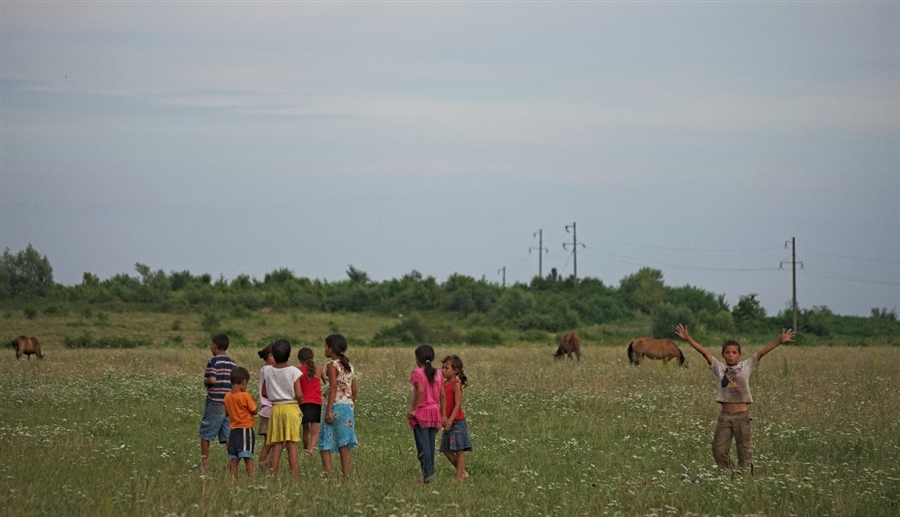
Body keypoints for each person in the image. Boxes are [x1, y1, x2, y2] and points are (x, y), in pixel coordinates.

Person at [675, 323, 795, 474]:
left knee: (743, 451)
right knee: (718, 449)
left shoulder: (746, 366)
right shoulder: (719, 368)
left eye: (734, 352)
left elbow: (761, 353)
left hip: (741, 416)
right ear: (723, 354)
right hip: (725, 417)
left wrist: (779, 340)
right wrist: (687, 338)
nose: (731, 355)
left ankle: (746, 479)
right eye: (727, 352)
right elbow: (704, 352)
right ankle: (732, 473)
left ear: (739, 355)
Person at [260, 339, 303, 483]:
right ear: (289, 354)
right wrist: (299, 400)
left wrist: (275, 395)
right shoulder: (294, 371)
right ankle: (295, 479)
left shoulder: (269, 371)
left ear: (273, 355)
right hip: (291, 408)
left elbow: (264, 392)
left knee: (277, 445)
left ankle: (273, 477)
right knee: (291, 446)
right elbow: (298, 393)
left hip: (276, 409)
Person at [318, 334, 357, 483]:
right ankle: (345, 477)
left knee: (324, 441)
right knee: (344, 442)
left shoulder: (331, 366)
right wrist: (350, 402)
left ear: (331, 348)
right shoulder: (349, 366)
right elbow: (354, 389)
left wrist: (328, 410)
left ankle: (329, 476)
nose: (324, 349)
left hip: (335, 406)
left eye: (326, 346)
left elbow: (333, 386)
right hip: (347, 407)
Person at [195, 333, 235, 471]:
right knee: (228, 434)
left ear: (214, 346)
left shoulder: (214, 361)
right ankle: (231, 463)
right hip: (229, 403)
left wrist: (206, 382)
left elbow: (212, 379)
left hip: (215, 402)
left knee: (206, 432)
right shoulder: (232, 363)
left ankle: (205, 462)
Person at [407, 344, 445, 484]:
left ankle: (428, 477)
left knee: (422, 447)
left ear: (418, 358)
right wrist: (443, 414)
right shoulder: (439, 373)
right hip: (435, 412)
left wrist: (414, 409)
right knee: (430, 446)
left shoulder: (417, 373)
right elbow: (442, 395)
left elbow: (421, 391)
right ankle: (430, 475)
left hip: (422, 413)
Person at [223, 366, 258, 482]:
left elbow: (227, 413)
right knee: (248, 458)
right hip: (245, 430)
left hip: (233, 431)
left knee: (234, 459)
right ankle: (252, 480)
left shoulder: (227, 397)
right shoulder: (245, 396)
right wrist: (253, 400)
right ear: (244, 382)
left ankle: (233, 480)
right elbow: (255, 410)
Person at [440, 355, 472, 482]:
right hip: (446, 421)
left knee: (459, 449)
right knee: (446, 449)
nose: (443, 370)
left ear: (455, 371)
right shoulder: (442, 384)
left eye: (446, 368)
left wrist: (450, 420)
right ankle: (462, 471)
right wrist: (442, 418)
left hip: (457, 422)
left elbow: (457, 404)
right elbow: (442, 402)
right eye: (442, 367)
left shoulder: (456, 385)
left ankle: (459, 476)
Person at [297, 347, 325, 455]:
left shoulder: (298, 370)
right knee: (315, 431)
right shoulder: (319, 370)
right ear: (313, 357)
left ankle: (305, 449)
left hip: (303, 402)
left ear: (300, 359)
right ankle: (311, 448)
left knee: (305, 429)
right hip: (316, 402)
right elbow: (327, 383)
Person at [256, 343, 275, 471]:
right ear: (270, 356)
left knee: (269, 443)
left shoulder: (265, 369)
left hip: (266, 410)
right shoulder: (269, 369)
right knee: (270, 443)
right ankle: (265, 465)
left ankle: (267, 465)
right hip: (271, 409)